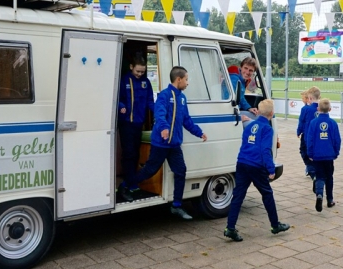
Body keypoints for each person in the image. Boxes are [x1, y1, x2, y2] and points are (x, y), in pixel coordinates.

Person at [118, 66, 207, 220]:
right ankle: (125, 185)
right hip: (161, 144)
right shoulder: (164, 96)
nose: (188, 83)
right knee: (149, 171)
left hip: (174, 145)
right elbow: (160, 115)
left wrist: (199, 133)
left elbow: (186, 120)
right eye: (186, 79)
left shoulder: (182, 98)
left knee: (180, 172)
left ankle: (176, 206)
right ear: (178, 79)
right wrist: (164, 129)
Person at [223, 99, 290, 242]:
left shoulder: (249, 126)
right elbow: (265, 150)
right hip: (256, 165)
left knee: (238, 196)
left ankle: (230, 227)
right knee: (267, 194)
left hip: (242, 163)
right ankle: (275, 225)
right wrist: (271, 169)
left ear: (258, 112)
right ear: (272, 113)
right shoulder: (267, 129)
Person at [118, 55, 155, 191]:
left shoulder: (146, 82)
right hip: (126, 123)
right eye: (137, 71)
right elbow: (117, 97)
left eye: (142, 72)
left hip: (139, 123)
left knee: (136, 153)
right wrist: (121, 106)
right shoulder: (124, 80)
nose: (140, 74)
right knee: (128, 153)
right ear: (131, 67)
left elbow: (150, 100)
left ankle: (132, 180)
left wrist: (159, 112)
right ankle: (128, 181)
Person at [306, 98, 341, 212]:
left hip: (317, 155)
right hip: (329, 155)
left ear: (318, 109)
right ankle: (330, 199)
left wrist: (310, 153)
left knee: (320, 176)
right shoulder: (333, 123)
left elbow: (309, 139)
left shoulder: (313, 123)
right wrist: (336, 152)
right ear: (330, 109)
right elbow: (337, 140)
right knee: (329, 176)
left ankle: (319, 195)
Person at [303, 86, 321, 188]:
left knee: (305, 153)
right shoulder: (322, 108)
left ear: (309, 98)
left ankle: (312, 172)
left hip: (308, 136)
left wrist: (299, 131)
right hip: (319, 138)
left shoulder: (307, 109)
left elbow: (303, 122)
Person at [297, 90, 314, 178]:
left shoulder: (305, 109)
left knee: (303, 150)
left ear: (308, 99)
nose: (302, 100)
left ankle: (311, 168)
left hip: (306, 134)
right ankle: (309, 168)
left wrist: (298, 131)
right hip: (315, 134)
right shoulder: (318, 108)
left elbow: (301, 121)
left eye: (303, 98)